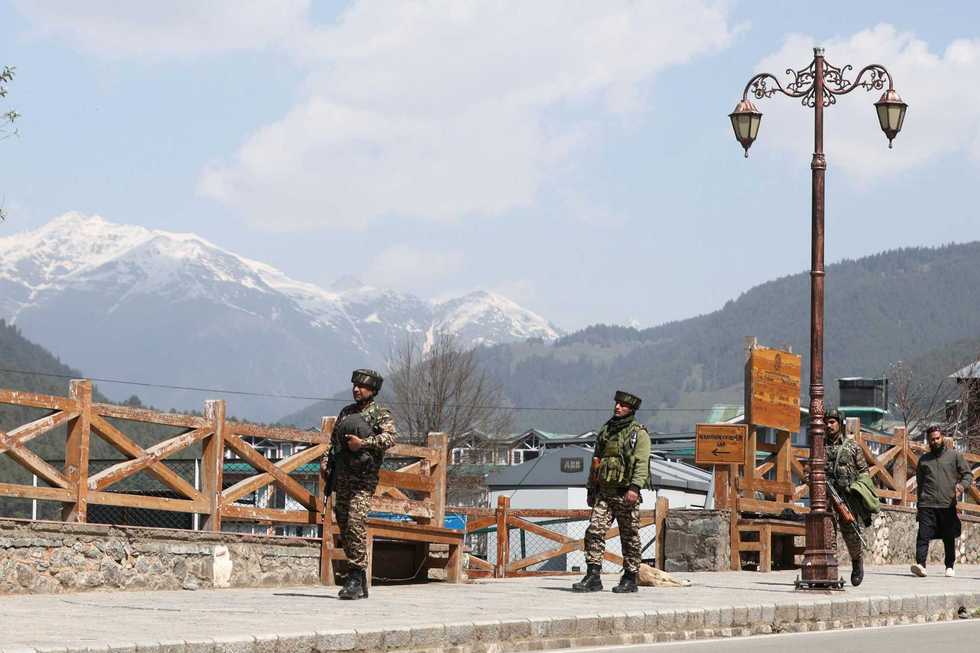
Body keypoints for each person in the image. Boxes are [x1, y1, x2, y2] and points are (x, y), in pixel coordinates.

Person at [321, 368, 398, 600]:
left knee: (355, 521)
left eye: (362, 386)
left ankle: (355, 574)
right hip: (342, 476)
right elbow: (333, 441)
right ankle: (359, 577)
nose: (356, 389)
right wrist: (325, 461)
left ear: (372, 390)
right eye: (355, 385)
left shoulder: (380, 414)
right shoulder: (346, 412)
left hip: (363, 479)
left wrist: (363, 443)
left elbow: (390, 438)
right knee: (344, 524)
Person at [572, 390, 651, 594]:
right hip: (604, 493)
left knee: (629, 537)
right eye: (616, 403)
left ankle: (630, 577)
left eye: (623, 405)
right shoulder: (606, 430)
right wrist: (591, 489)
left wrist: (634, 488)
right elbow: (596, 461)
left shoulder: (638, 433)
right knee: (594, 532)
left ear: (631, 409)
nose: (617, 407)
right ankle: (593, 575)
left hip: (626, 494)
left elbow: (642, 463)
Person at [911, 425, 971, 578]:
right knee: (923, 535)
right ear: (928, 441)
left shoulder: (954, 456)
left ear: (942, 437)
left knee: (948, 536)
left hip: (947, 504)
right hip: (927, 503)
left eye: (938, 438)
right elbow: (920, 483)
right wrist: (919, 504)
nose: (935, 441)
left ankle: (949, 566)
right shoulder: (924, 460)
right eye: (932, 439)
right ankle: (921, 565)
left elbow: (967, 475)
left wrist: (961, 486)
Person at [824, 409, 869, 586]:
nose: (828, 425)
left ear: (840, 424)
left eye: (832, 422)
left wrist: (858, 490)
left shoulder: (852, 447)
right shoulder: (819, 446)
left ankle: (857, 562)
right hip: (827, 498)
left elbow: (864, 472)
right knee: (828, 534)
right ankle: (830, 569)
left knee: (851, 535)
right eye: (826, 422)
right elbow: (808, 471)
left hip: (847, 498)